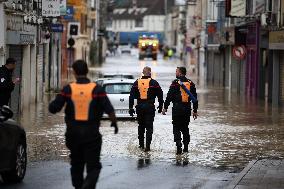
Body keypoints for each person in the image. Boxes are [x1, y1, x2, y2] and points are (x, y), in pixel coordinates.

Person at [49, 60, 118, 189]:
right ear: (87, 71)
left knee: (76, 165)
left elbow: (54, 108)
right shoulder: (97, 89)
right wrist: (114, 124)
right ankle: (87, 186)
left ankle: (79, 187)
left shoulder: (68, 89)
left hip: (73, 134)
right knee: (94, 166)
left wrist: (53, 104)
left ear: (74, 72)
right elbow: (109, 109)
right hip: (92, 134)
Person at [162, 67, 198, 155]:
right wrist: (195, 110)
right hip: (187, 109)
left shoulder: (175, 83)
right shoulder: (190, 83)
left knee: (176, 128)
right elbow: (195, 98)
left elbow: (169, 96)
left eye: (176, 71)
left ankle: (178, 146)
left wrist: (165, 107)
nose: (175, 73)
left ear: (180, 73)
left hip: (177, 109)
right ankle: (186, 148)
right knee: (185, 128)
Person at [129, 66, 163, 152]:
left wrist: (130, 108)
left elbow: (131, 96)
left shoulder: (137, 82)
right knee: (149, 127)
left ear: (143, 73)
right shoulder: (154, 83)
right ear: (150, 73)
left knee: (141, 126)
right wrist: (161, 106)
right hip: (150, 107)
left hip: (139, 107)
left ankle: (141, 145)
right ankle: (147, 147)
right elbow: (160, 95)